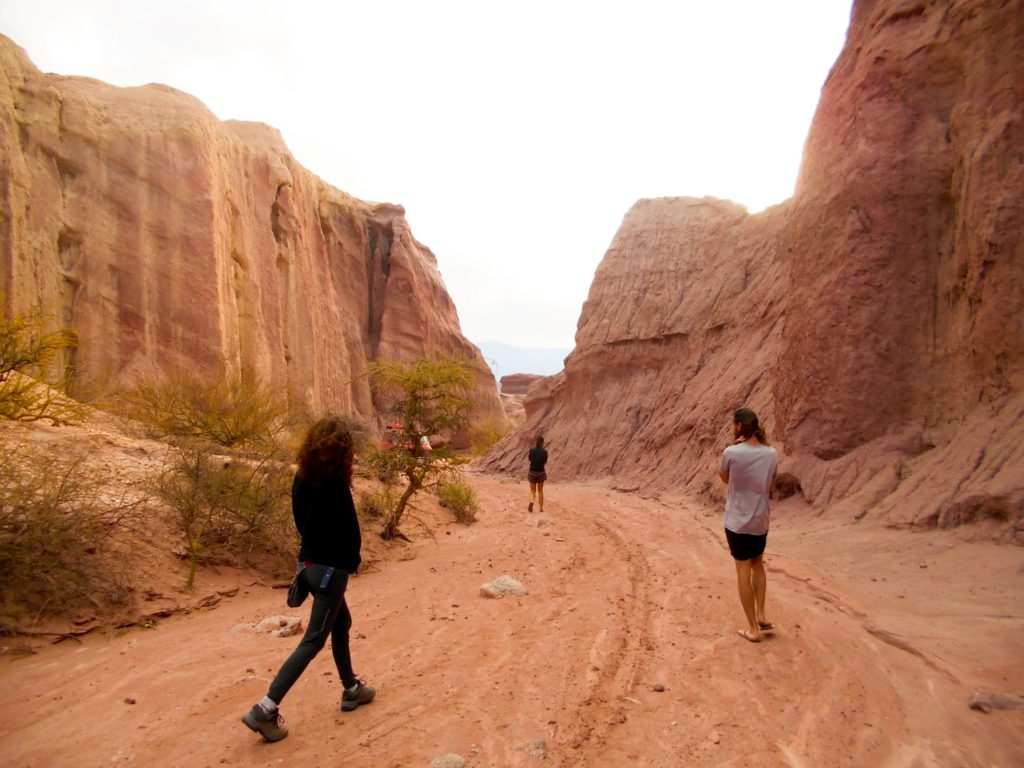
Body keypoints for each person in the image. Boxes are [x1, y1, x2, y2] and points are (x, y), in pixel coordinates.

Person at [242, 417, 375, 742]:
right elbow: (350, 529)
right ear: (343, 450)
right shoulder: (336, 483)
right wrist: (351, 562)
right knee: (314, 639)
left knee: (341, 624)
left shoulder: (301, 477)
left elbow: (300, 522)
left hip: (309, 565)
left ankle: (351, 689)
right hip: (331, 571)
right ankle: (266, 707)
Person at [718, 407, 778, 643]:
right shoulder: (771, 453)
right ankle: (761, 616)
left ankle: (753, 628)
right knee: (758, 565)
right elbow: (772, 486)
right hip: (760, 520)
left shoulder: (731, 452)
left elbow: (725, 478)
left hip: (737, 521)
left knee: (742, 570)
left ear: (739, 426)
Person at [527, 435, 548, 513]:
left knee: (532, 490)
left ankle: (532, 501)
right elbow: (545, 461)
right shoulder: (545, 452)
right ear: (542, 442)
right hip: (541, 473)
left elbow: (530, 459)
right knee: (540, 491)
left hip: (532, 472)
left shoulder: (531, 450)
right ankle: (541, 508)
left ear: (536, 441)